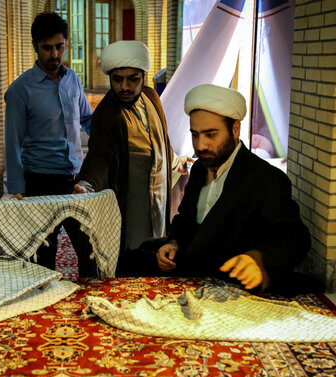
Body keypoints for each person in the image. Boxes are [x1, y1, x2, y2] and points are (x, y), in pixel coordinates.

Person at [156, 84, 312, 293]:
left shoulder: (264, 178)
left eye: (211, 135)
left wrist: (259, 262)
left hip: (236, 290)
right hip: (191, 277)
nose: (200, 145)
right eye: (195, 135)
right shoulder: (200, 169)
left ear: (235, 129)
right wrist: (174, 244)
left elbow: (295, 238)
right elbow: (186, 220)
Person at [75, 40, 190, 255]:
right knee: (134, 254)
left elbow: (161, 142)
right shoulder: (107, 114)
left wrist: (176, 162)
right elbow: (100, 158)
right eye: (118, 80)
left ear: (143, 76)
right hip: (130, 205)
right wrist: (87, 184)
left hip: (159, 201)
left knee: (160, 247)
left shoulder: (151, 97)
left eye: (133, 79)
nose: (125, 87)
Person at [4, 12, 94, 275]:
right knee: (44, 255)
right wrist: (17, 188)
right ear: (36, 46)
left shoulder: (72, 80)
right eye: (47, 48)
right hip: (40, 183)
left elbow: (87, 119)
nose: (54, 54)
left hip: (75, 181)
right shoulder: (21, 90)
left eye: (60, 46)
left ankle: (91, 303)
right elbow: (13, 142)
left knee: (89, 249)